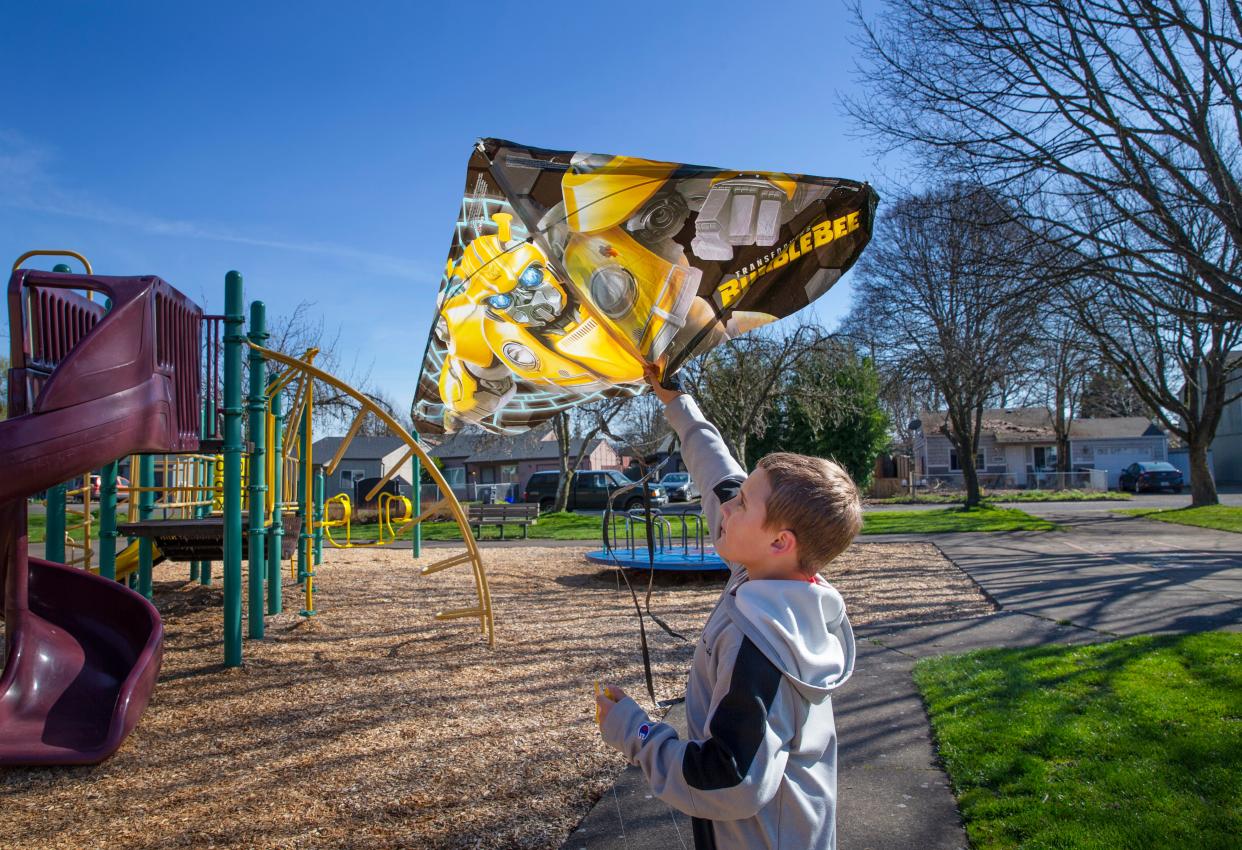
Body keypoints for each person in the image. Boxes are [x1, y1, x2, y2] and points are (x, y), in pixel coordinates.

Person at [594, 362, 861, 850]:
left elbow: (730, 780)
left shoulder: (761, 648)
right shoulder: (772, 575)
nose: (726, 504)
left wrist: (637, 731)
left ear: (780, 541)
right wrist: (676, 402)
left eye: (742, 504)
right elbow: (717, 471)